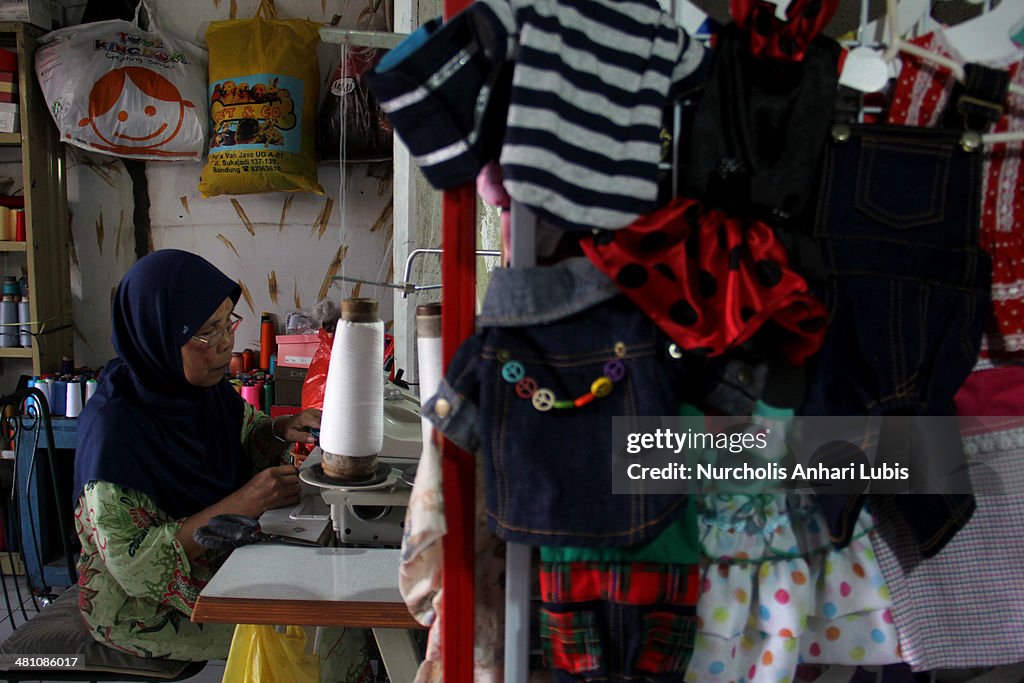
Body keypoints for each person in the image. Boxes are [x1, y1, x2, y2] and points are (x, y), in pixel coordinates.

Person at [73, 249, 320, 661]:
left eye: (228, 324)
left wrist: (280, 429)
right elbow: (134, 568)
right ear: (159, 335)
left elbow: (243, 433)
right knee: (306, 633)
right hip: (143, 608)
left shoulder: (201, 393)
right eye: (206, 332)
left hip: (217, 559)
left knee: (316, 591)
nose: (225, 344)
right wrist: (242, 504)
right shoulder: (114, 433)